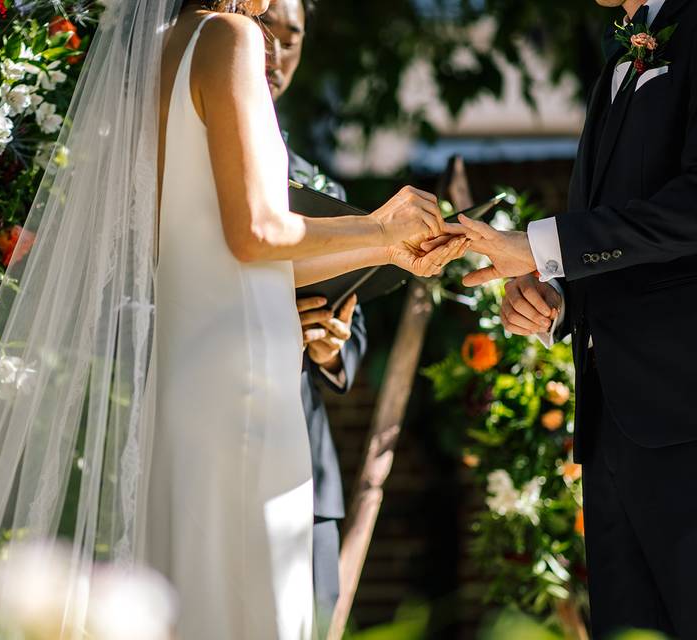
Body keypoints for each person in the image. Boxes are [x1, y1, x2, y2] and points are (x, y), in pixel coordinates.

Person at [147, 3, 472, 637]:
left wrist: (388, 249)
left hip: (185, 372)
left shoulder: (158, 50)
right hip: (246, 382)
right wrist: (380, 225)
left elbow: (218, 253)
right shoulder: (230, 36)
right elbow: (257, 233)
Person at [459, 0, 697, 636]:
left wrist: (539, 245)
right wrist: (557, 302)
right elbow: (629, 247)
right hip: (613, 431)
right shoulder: (619, 57)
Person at [261, 0, 363, 630]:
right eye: (264, 30)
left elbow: (356, 332)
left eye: (290, 38)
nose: (274, 52)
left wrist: (330, 347)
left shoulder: (329, 193)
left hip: (309, 470)